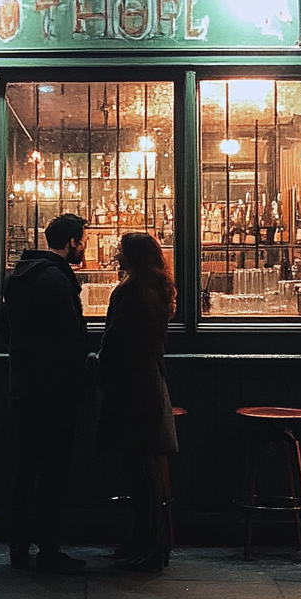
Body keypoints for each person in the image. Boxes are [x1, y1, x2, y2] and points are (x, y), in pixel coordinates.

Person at [0, 213, 90, 574]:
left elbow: (1, 325)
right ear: (71, 243)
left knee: (24, 464)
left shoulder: (19, 275)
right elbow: (69, 338)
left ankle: (18, 545)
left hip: (23, 385)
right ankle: (48, 549)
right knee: (52, 470)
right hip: (53, 390)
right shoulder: (55, 279)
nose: (83, 247)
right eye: (82, 241)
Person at [97, 231, 178, 573]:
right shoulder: (159, 291)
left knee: (140, 470)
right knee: (146, 471)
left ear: (132, 256)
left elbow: (114, 341)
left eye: (121, 251)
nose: (117, 255)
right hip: (150, 381)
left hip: (131, 386)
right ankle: (145, 541)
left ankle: (151, 546)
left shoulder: (129, 292)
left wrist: (94, 362)